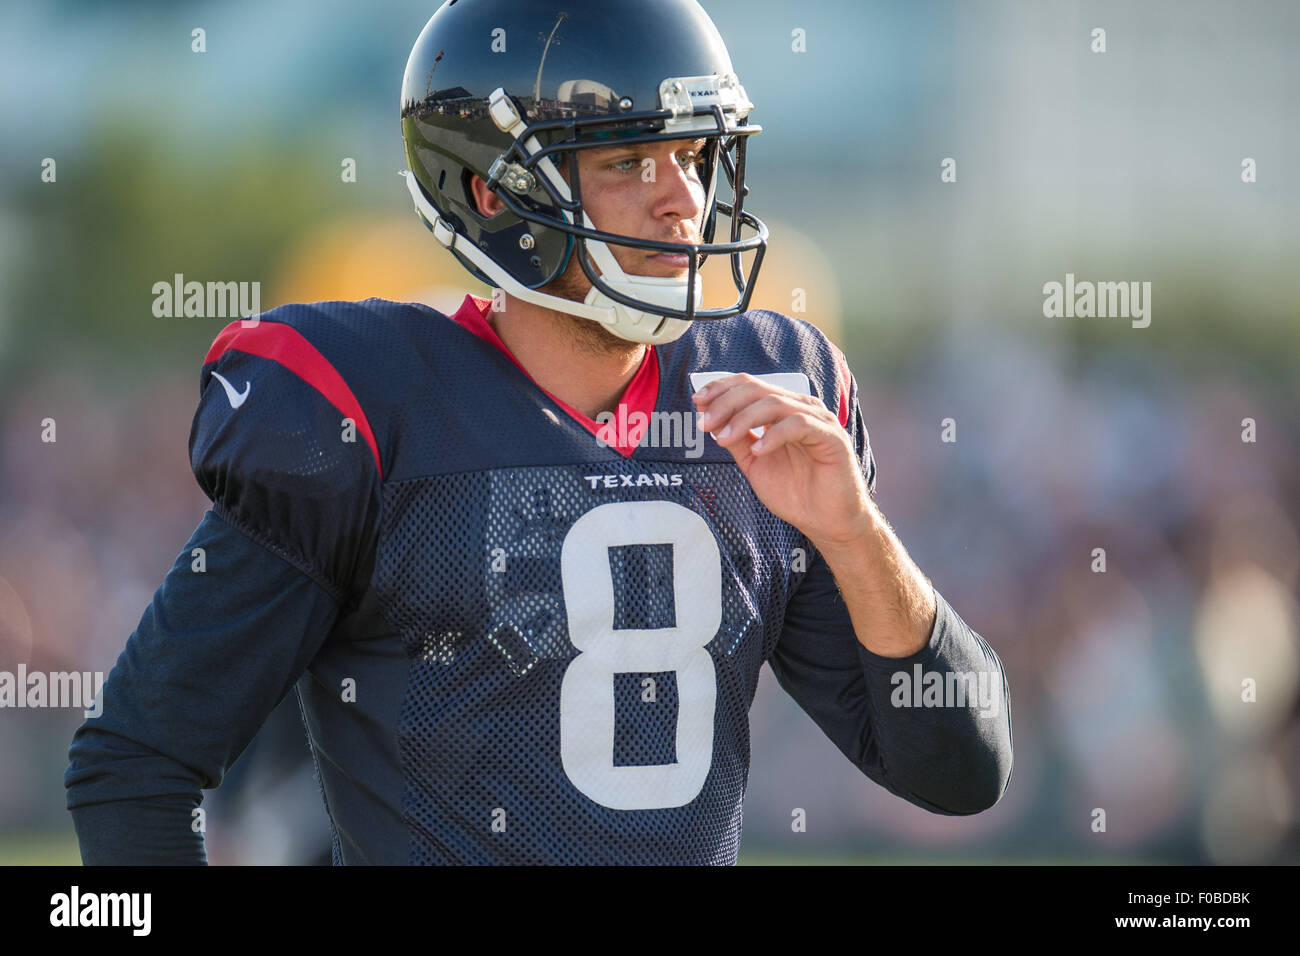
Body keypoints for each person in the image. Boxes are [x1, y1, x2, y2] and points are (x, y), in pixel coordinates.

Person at [66, 0, 1012, 865]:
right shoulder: (370, 411)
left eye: (691, 155)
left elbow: (960, 772)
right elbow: (135, 764)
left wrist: (856, 535)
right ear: (494, 193)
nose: (681, 199)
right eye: (627, 162)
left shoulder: (762, 402)